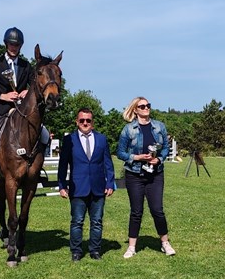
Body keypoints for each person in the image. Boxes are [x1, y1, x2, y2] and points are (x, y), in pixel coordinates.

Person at [0, 27, 50, 182]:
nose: (14, 47)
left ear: (20, 46)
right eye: (11, 44)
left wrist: (27, 91)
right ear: (6, 44)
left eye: (17, 45)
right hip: (0, 108)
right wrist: (3, 96)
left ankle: (37, 167)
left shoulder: (26, 66)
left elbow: (34, 84)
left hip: (21, 110)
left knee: (44, 135)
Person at [116, 96, 175, 258]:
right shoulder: (128, 130)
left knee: (157, 210)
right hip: (134, 175)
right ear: (135, 110)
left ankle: (165, 243)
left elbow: (165, 149)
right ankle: (131, 247)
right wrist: (137, 158)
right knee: (136, 211)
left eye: (148, 105)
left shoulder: (159, 126)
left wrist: (159, 159)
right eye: (142, 106)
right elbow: (120, 152)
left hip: (155, 175)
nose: (146, 108)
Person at [57, 107, 116, 260]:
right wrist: (62, 186)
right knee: (77, 221)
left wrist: (110, 183)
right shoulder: (69, 140)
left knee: (97, 222)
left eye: (88, 120)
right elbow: (63, 165)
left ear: (92, 122)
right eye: (82, 120)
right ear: (77, 122)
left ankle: (95, 250)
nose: (85, 123)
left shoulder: (102, 139)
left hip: (98, 188)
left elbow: (108, 163)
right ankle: (76, 251)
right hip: (78, 188)